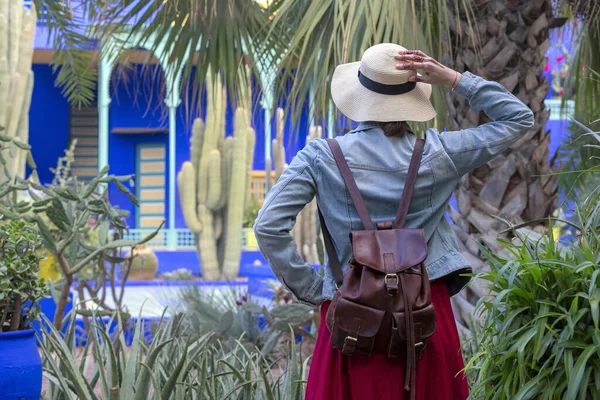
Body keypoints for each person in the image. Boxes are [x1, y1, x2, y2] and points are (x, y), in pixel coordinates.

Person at [254, 43, 534, 400]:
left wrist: (314, 289)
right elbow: (519, 118)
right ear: (412, 97)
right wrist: (453, 79)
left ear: (359, 97)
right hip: (423, 317)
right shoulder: (440, 153)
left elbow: (268, 226)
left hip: (352, 316)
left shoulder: (320, 157)